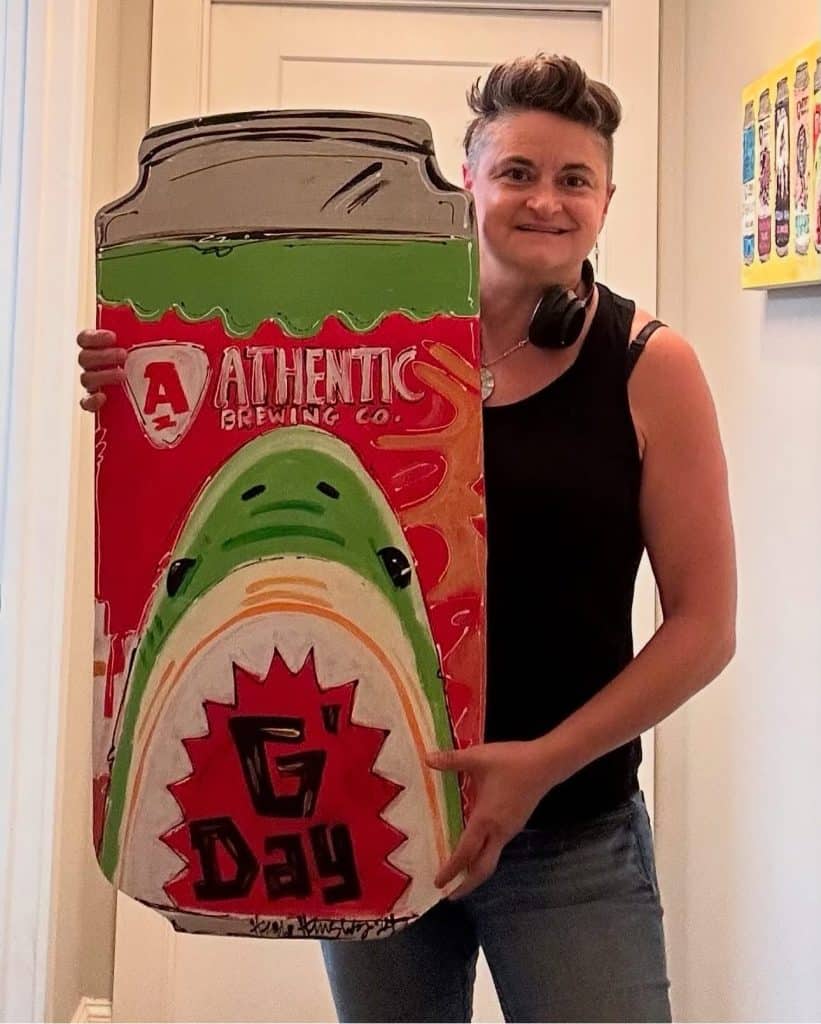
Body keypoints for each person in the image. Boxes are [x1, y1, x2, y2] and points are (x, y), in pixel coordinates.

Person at [77, 54, 736, 1023]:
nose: (544, 200)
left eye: (572, 180)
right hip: (378, 807)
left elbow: (703, 627)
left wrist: (539, 761)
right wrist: (132, 383)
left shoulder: (647, 365)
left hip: (568, 836)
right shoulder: (358, 346)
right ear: (466, 183)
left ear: (605, 200)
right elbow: (226, 431)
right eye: (515, 172)